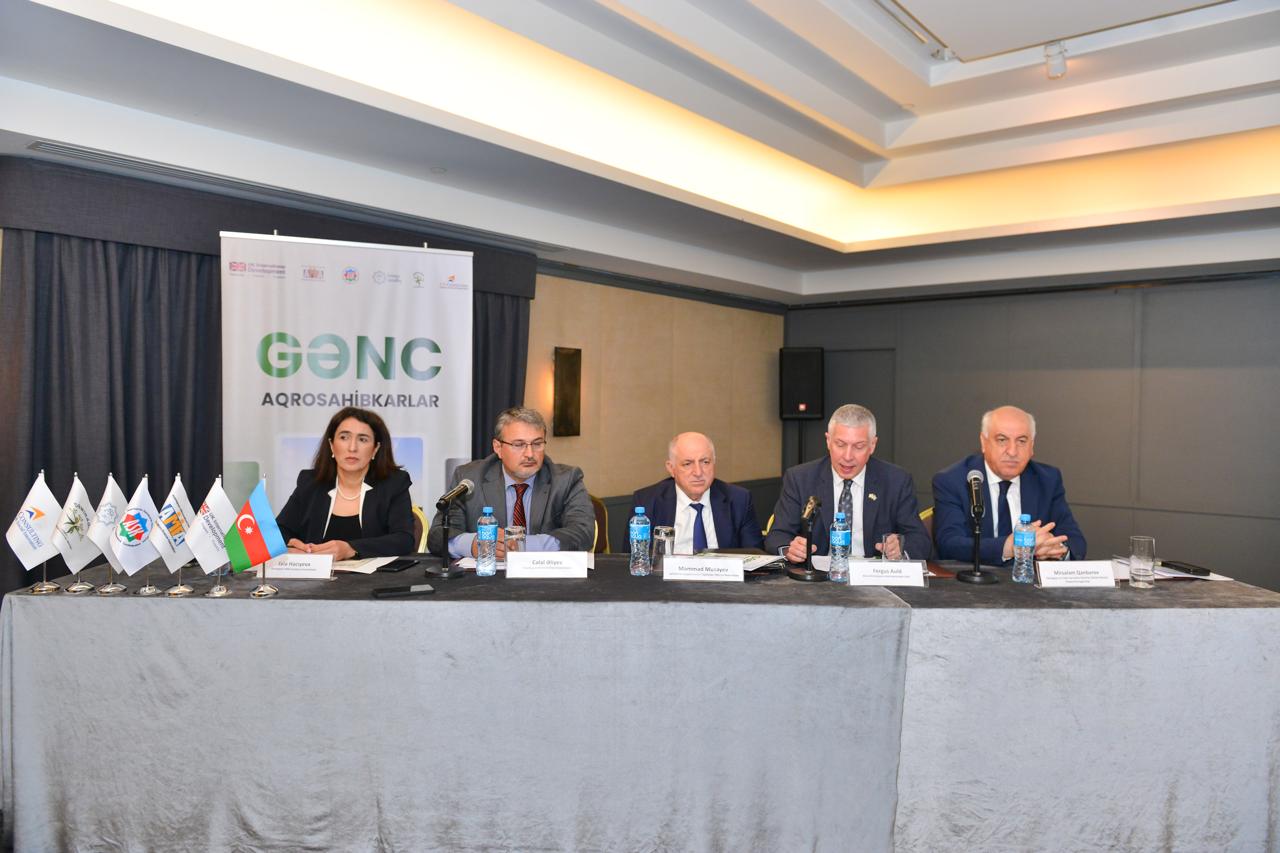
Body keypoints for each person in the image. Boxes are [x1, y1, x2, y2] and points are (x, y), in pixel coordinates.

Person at [764, 404, 930, 563]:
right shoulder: (800, 478)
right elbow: (777, 535)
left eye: (859, 446)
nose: (848, 456)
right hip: (818, 576)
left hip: (873, 576)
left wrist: (900, 547)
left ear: (872, 445)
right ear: (828, 441)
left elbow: (919, 539)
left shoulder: (896, 480)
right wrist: (790, 549)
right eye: (840, 444)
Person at [428, 407, 594, 558]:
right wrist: (473, 544)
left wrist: (520, 545)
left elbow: (583, 533)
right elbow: (437, 536)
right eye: (519, 444)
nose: (530, 454)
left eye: (537, 444)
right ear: (498, 448)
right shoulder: (469, 478)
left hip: (544, 577)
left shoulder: (566, 480)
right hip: (487, 578)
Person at [932, 405, 1086, 565]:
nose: (1012, 451)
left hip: (1029, 579)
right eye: (1002, 440)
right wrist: (1009, 546)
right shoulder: (953, 481)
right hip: (978, 577)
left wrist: (1056, 549)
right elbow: (949, 544)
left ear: (1032, 446)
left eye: (1021, 441)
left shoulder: (1047, 480)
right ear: (983, 443)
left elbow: (1075, 541)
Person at [276, 407, 415, 559]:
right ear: (331, 445)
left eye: (362, 439)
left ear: (375, 449)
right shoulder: (310, 483)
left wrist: (351, 548)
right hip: (316, 573)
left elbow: (404, 539)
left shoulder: (394, 484)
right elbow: (279, 531)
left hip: (375, 574)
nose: (352, 448)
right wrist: (291, 545)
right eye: (344, 437)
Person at [632, 432, 765, 553]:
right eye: (687, 464)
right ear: (671, 468)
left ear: (714, 463)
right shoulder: (646, 502)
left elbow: (756, 556)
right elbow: (633, 559)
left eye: (705, 462)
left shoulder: (739, 500)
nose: (698, 472)